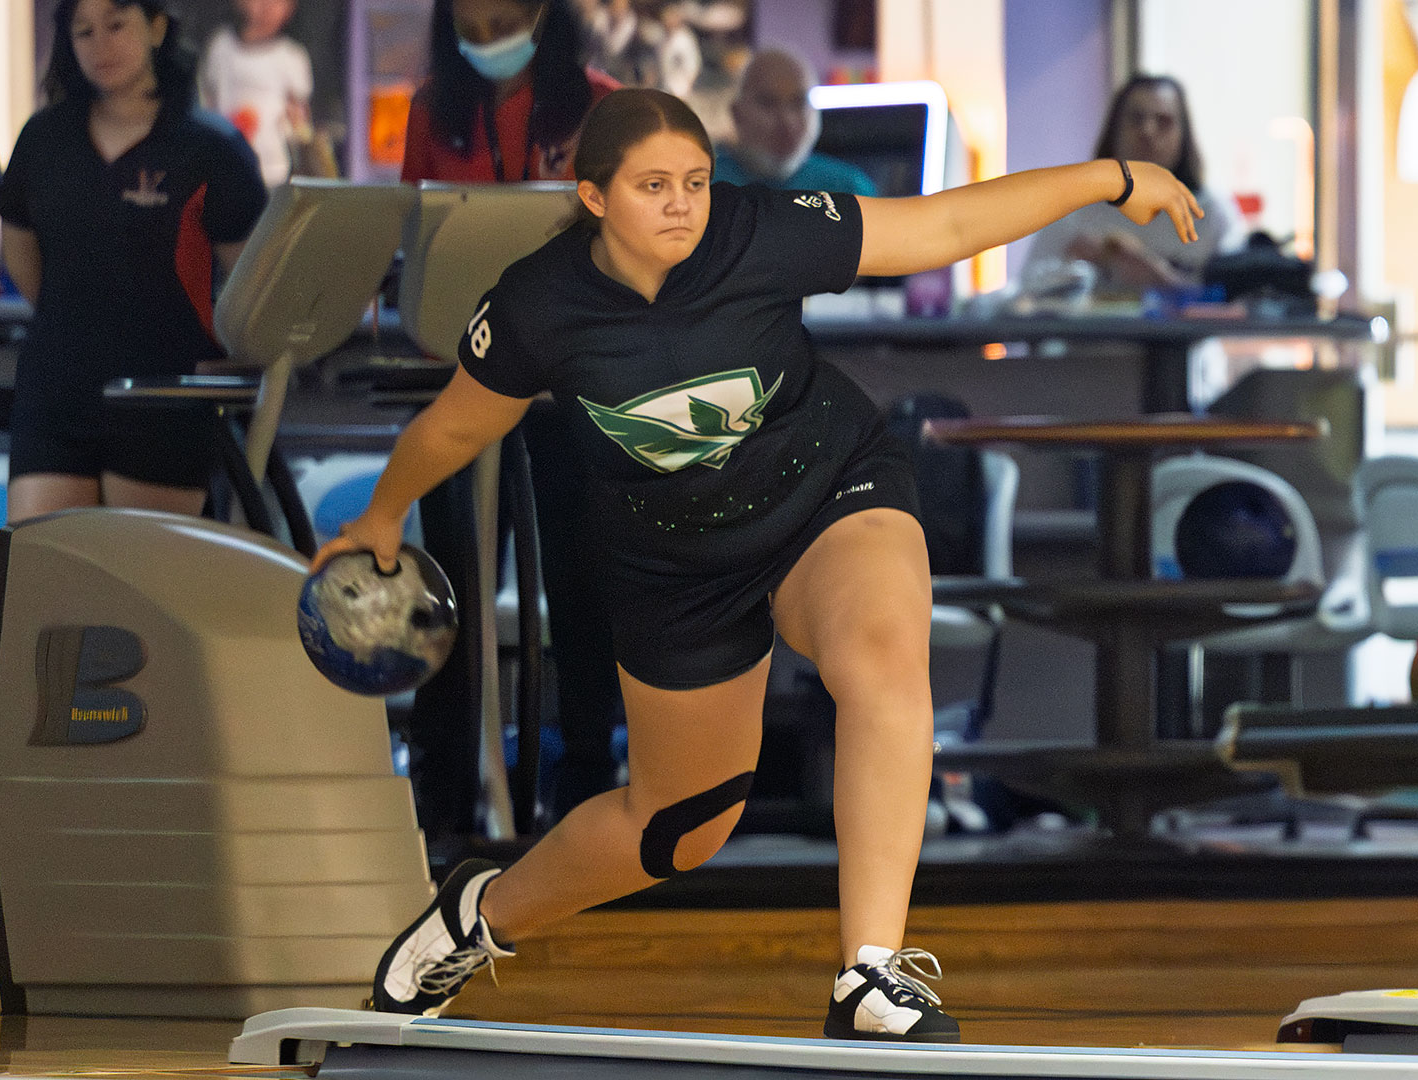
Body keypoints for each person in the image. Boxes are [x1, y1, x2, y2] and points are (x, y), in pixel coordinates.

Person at [317, 87, 1201, 1041]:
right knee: (676, 830)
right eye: (653, 186)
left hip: (828, 490)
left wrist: (1110, 178)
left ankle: (869, 974)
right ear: (594, 197)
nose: (681, 205)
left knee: (881, 659)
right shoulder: (539, 303)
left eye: (695, 182)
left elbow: (942, 225)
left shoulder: (760, 232)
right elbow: (456, 425)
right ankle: (475, 916)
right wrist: (381, 515)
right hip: (675, 565)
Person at [401, 0, 626, 828]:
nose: (488, 32)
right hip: (462, 370)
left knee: (582, 579)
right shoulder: (435, 110)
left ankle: (590, 776)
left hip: (572, 379)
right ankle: (446, 786)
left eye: (504, 14)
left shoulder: (601, 106)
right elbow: (417, 233)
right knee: (452, 583)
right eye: (472, 17)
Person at [0, 0, 268, 524]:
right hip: (58, 386)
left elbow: (251, 281)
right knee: (43, 561)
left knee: (142, 567)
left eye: (117, 25)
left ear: (157, 28)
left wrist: (236, 352)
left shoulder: (209, 146)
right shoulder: (44, 139)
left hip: (164, 392)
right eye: (84, 32)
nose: (101, 44)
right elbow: (23, 257)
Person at [1021, 74, 1244, 293]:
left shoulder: (1212, 212)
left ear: (1183, 135)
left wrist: (1152, 271)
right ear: (1114, 130)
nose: (1147, 132)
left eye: (1163, 121)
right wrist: (1073, 269)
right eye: (1136, 120)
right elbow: (1026, 288)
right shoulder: (1072, 209)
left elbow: (1237, 298)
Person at [400, 0, 621, 185]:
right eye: (469, 31)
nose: (487, 43)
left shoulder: (606, 105)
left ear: (540, 14)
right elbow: (411, 212)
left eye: (503, 27)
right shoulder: (431, 105)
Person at [713, 48, 876, 196]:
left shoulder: (849, 189)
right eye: (768, 103)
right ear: (737, 114)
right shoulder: (708, 185)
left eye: (799, 103)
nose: (786, 121)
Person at [198, 0, 313, 188]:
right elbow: (207, 102)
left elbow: (299, 120)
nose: (268, 6)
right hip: (223, 167)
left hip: (272, 173)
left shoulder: (291, 57)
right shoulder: (221, 46)